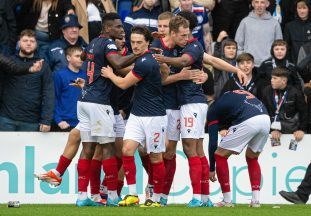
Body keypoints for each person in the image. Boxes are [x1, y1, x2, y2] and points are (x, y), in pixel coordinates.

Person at [75, 12, 137, 207]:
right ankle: (111, 196)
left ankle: (83, 197)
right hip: (100, 103)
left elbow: (84, 55)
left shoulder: (93, 41)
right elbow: (117, 63)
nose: (121, 30)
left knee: (88, 150)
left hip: (84, 100)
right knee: (108, 148)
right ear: (108, 28)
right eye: (118, 27)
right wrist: (140, 53)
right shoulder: (108, 43)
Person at [101, 26, 167, 207]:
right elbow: (164, 74)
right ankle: (132, 195)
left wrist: (109, 74)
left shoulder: (146, 62)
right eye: (133, 42)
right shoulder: (145, 59)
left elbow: (123, 84)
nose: (135, 46)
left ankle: (157, 198)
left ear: (147, 43)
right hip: (137, 114)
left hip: (154, 116)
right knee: (127, 150)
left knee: (155, 157)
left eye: (139, 42)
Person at [154, 14, 209, 207]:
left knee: (189, 149)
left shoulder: (192, 46)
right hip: (177, 104)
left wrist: (208, 74)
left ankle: (198, 198)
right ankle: (202, 198)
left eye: (188, 34)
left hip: (190, 103)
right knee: (179, 151)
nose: (187, 38)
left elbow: (187, 62)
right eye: (183, 35)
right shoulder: (166, 46)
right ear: (173, 33)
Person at [208, 90, 271, 207]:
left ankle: (227, 201)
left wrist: (211, 168)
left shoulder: (212, 109)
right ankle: (255, 201)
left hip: (249, 120)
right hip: (265, 119)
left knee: (219, 155)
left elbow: (212, 143)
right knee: (252, 158)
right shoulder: (230, 95)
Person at [0, 29, 54, 132]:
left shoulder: (43, 66)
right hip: (6, 118)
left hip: (31, 121)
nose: (28, 43)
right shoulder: (9, 62)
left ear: (37, 44)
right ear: (19, 43)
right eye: (25, 40)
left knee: (29, 149)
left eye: (32, 41)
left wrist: (46, 119)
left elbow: (48, 93)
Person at [261, 67, 307, 144]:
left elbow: (304, 112)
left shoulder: (295, 93)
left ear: (284, 81)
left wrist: (301, 130)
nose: (271, 80)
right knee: (275, 153)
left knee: (292, 152)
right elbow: (263, 112)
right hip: (274, 132)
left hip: (293, 133)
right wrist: (272, 130)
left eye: (275, 78)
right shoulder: (267, 91)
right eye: (271, 78)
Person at [235, 0, 283, 66]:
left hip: (268, 65)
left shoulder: (274, 23)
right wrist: (244, 61)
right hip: (249, 65)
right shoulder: (245, 22)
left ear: (267, 4)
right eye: (256, 2)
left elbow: (279, 45)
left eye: (262, 2)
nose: (259, 5)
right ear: (252, 4)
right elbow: (238, 45)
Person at [52, 45, 86, 132]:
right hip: (65, 123)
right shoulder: (59, 75)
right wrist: (58, 120)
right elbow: (54, 98)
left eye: (82, 56)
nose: (80, 59)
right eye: (77, 56)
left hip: (83, 124)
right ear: (68, 57)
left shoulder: (86, 75)